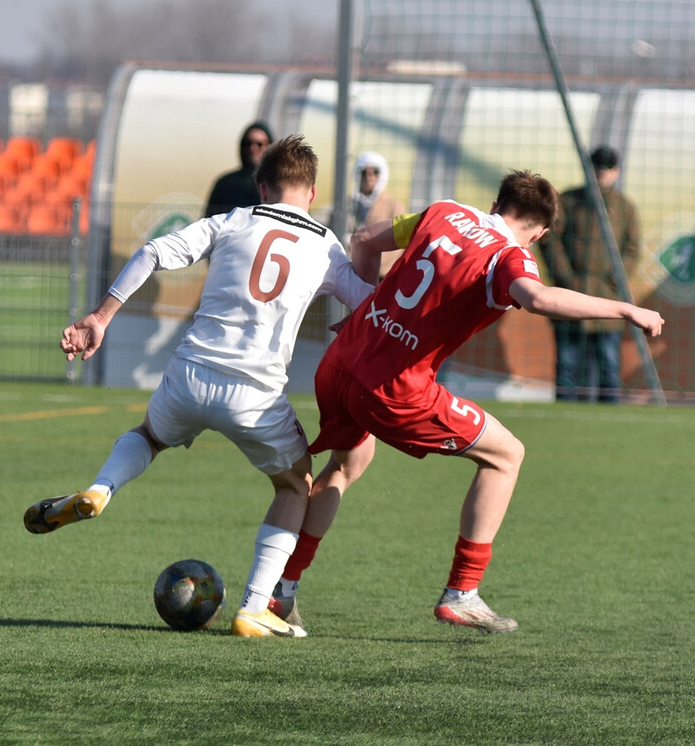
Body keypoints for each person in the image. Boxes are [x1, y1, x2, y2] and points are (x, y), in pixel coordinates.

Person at [267, 171, 664, 634]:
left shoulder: (445, 212)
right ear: (541, 231)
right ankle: (463, 592)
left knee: (346, 465)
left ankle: (282, 588)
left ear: (498, 204)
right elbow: (536, 298)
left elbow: (364, 239)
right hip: (395, 388)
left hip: (340, 364)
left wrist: (367, 312)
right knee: (506, 455)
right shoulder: (507, 257)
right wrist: (625, 308)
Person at [22, 136, 376, 638]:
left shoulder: (234, 220)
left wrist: (101, 317)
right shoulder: (324, 245)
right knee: (297, 484)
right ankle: (255, 607)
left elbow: (152, 252)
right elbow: (372, 305)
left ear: (261, 185)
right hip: (256, 395)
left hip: (191, 372)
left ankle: (101, 489)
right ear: (312, 192)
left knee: (148, 436)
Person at [540, 146, 642, 402]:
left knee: (609, 366)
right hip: (569, 296)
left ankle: (610, 421)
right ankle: (563, 418)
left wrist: (615, 279)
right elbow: (550, 240)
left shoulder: (624, 207)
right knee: (567, 364)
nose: (601, 174)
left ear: (616, 172)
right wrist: (566, 278)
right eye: (597, 167)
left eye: (607, 169)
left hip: (607, 299)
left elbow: (632, 249)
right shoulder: (567, 201)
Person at [320, 151, 407, 278]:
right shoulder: (345, 204)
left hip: (379, 278)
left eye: (375, 172)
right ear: (356, 175)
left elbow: (395, 250)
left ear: (382, 175)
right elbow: (321, 221)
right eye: (364, 172)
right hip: (346, 275)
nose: (369, 176)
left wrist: (360, 255)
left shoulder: (395, 207)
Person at [203, 121, 273, 218]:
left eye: (259, 144)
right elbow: (209, 222)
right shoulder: (225, 184)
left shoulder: (278, 184)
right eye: (248, 143)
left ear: (270, 146)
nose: (253, 148)